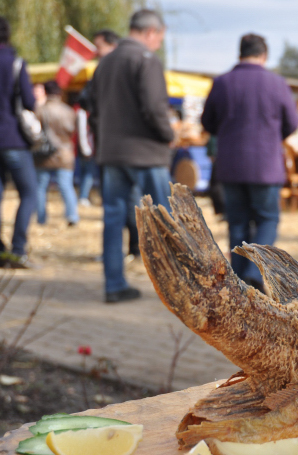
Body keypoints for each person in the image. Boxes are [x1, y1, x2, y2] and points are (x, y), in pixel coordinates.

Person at [201, 33, 298, 292]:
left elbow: (207, 123)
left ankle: (238, 283)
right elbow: (292, 122)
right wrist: (271, 136)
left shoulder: (222, 82)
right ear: (264, 55)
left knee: (238, 223)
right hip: (266, 165)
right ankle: (255, 273)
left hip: (231, 165)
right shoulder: (277, 83)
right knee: (267, 219)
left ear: (240, 53)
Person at [90, 9, 174, 303]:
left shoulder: (105, 62)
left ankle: (114, 285)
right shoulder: (146, 60)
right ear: (151, 32)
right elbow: (154, 108)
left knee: (113, 219)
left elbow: (93, 107)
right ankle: (180, 289)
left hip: (111, 153)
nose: (158, 45)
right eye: (159, 39)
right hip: (146, 153)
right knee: (165, 220)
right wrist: (169, 135)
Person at [0, 16, 37, 268]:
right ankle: (18, 249)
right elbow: (29, 102)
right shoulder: (15, 63)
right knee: (30, 192)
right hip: (12, 138)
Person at [77, 29, 121, 207]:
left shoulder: (107, 69)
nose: (96, 51)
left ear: (113, 46)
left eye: (99, 47)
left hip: (112, 136)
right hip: (108, 135)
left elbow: (85, 99)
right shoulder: (102, 70)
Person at [34, 81, 79, 226]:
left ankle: (41, 218)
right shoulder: (68, 110)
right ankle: (72, 216)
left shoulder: (39, 110)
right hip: (65, 153)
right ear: (59, 93)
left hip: (43, 154)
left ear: (45, 92)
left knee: (40, 187)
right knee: (66, 185)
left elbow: (33, 130)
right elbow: (73, 130)